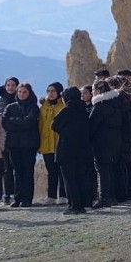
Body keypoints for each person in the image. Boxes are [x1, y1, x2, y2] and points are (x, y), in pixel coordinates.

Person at [51, 87, 93, 215]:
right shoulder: (84, 110)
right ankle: (83, 203)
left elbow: (54, 125)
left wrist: (65, 131)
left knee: (69, 179)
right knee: (80, 177)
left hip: (67, 149)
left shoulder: (67, 111)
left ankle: (74, 205)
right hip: (82, 150)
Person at [2, 83, 40, 208]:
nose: (21, 94)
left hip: (29, 145)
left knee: (27, 171)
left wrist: (15, 120)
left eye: (24, 92)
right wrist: (20, 121)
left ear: (29, 93)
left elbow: (29, 122)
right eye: (20, 92)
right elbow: (5, 123)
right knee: (16, 171)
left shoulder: (33, 107)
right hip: (13, 145)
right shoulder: (10, 107)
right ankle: (17, 198)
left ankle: (27, 198)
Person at [89, 78, 122, 208]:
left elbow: (92, 126)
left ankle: (104, 197)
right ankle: (112, 196)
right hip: (115, 141)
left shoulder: (99, 106)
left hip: (101, 142)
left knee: (102, 169)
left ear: (98, 90)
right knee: (110, 169)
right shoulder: (115, 104)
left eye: (93, 90)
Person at [38, 82, 67, 205]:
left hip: (60, 143)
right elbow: (40, 125)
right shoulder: (43, 107)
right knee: (51, 171)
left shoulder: (64, 105)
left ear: (59, 92)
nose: (50, 93)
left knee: (62, 171)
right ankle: (51, 196)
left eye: (53, 91)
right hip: (46, 143)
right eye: (48, 91)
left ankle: (63, 196)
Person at [0, 76, 20, 205]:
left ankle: (17, 193)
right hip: (3, 138)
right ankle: (7, 194)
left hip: (17, 138)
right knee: (6, 168)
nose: (10, 87)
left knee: (17, 167)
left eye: (13, 85)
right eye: (8, 85)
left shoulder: (20, 98)